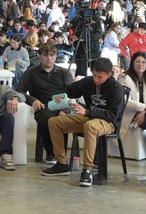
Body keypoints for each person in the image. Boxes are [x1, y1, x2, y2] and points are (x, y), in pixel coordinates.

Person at [41, 57, 124, 188]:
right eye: (94, 75)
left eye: (100, 77)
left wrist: (87, 112)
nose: (96, 79)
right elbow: (69, 90)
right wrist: (61, 98)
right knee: (54, 122)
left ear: (109, 74)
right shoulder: (88, 82)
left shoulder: (116, 88)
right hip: (89, 117)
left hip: (108, 122)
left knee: (89, 126)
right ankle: (62, 163)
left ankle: (87, 170)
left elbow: (113, 115)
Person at [16, 43, 74, 164]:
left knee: (66, 117)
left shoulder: (64, 73)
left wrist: (65, 110)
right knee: (46, 118)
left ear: (56, 56)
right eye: (46, 55)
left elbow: (72, 93)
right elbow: (19, 91)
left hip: (63, 106)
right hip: (43, 106)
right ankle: (51, 152)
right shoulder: (31, 73)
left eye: (52, 55)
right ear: (39, 56)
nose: (49, 58)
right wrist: (32, 100)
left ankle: (63, 153)